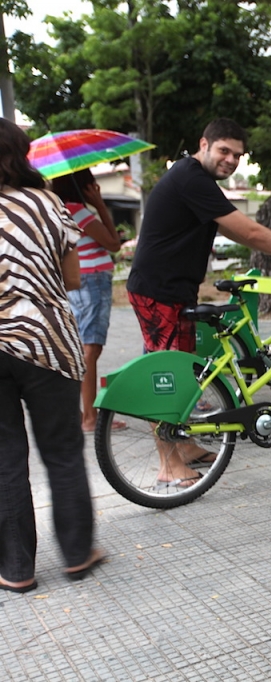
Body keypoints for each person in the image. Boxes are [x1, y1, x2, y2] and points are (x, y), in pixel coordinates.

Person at [126, 118, 271, 487]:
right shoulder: (191, 177)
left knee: (181, 372)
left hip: (173, 290)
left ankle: (186, 446)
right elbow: (251, 232)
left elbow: (231, 229)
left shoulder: (196, 181)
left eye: (238, 155)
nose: (231, 160)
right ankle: (168, 464)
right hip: (158, 291)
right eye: (224, 151)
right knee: (166, 377)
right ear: (203, 144)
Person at [0, 118, 106, 593]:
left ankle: (17, 569)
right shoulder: (49, 204)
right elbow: (74, 280)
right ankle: (78, 555)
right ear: (22, 154)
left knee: (4, 459)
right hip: (48, 344)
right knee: (62, 453)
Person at [50, 169, 123, 433]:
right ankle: (90, 417)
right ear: (84, 185)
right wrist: (100, 206)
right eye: (92, 181)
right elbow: (113, 243)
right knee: (89, 350)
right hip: (92, 281)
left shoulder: (58, 209)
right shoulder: (78, 211)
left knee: (84, 349)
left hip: (79, 281)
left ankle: (83, 413)